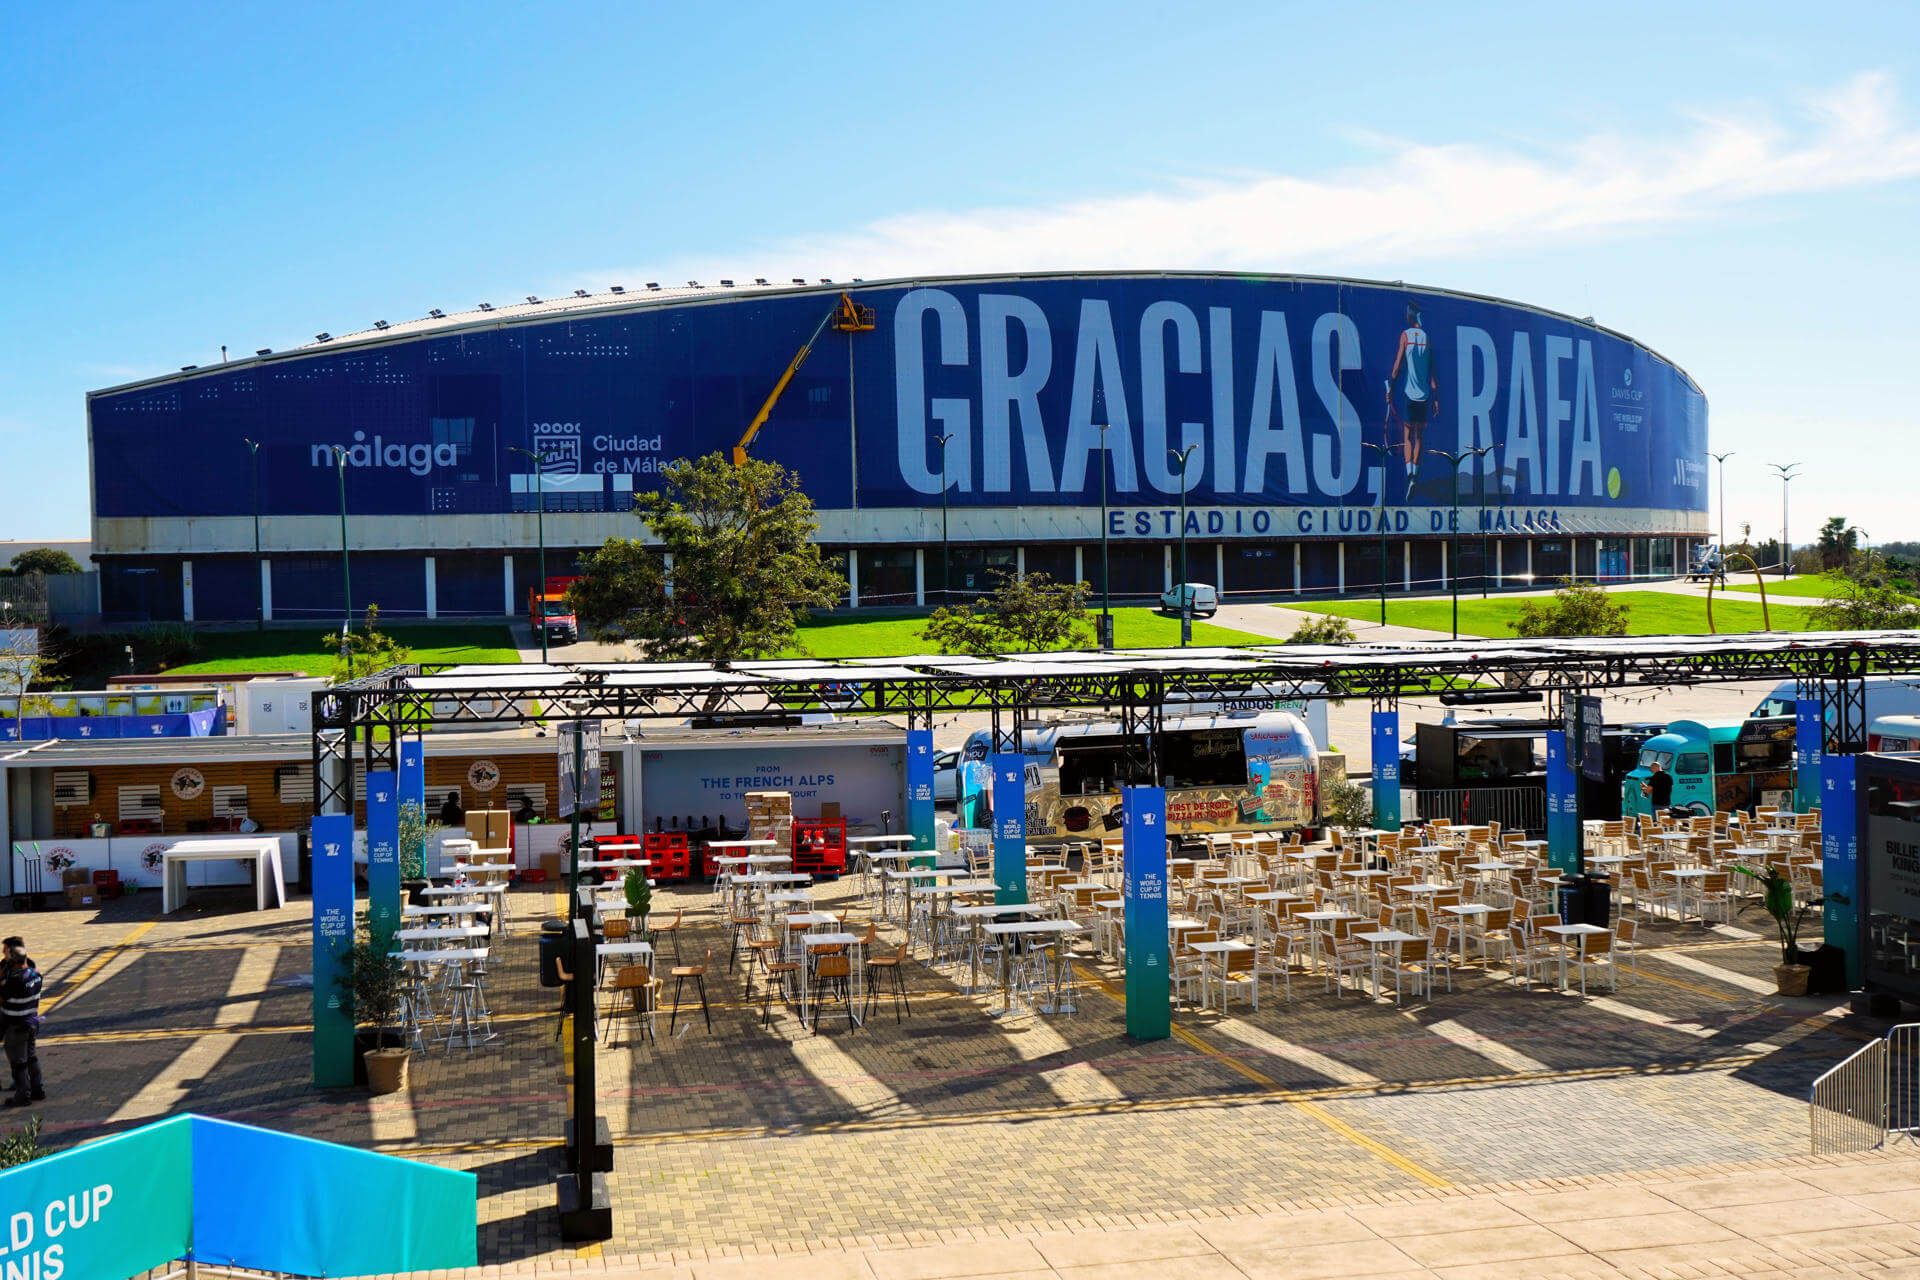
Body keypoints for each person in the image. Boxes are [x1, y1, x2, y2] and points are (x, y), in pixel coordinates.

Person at [1386, 302, 1439, 497]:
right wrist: (1435, 398)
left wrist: (1391, 386)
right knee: (1420, 437)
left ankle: (1409, 475)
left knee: (1407, 434)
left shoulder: (1406, 336)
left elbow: (1398, 365)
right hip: (1424, 395)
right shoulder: (1426, 338)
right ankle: (1415, 475)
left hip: (1410, 393)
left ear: (1411, 316)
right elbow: (1432, 371)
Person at [1, 936, 44, 1107]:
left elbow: (3, 997)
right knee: (31, 1057)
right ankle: (37, 1089)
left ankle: (23, 1095)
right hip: (32, 1021)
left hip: (16, 1025)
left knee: (18, 1063)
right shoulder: (36, 975)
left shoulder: (15, 980)